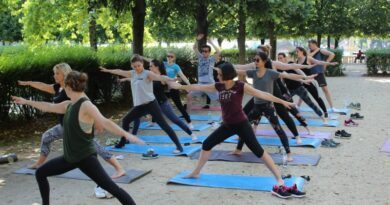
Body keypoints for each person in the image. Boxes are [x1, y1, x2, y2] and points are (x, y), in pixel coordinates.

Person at [169, 62, 305, 199]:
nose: (217, 76)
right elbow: (198, 86)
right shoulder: (218, 86)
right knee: (206, 144)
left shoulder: (240, 86)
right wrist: (181, 86)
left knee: (259, 152)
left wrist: (283, 102)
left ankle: (280, 181)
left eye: (219, 74)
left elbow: (263, 94)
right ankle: (196, 172)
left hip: (242, 124)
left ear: (226, 75)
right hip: (227, 125)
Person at [12, 71, 143, 205]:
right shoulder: (69, 105)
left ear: (69, 87)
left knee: (112, 188)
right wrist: (26, 101)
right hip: (70, 158)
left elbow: (105, 122)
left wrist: (126, 134)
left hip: (85, 158)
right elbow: (49, 106)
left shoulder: (86, 105)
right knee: (40, 173)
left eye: (65, 87)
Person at [17, 63, 125, 179]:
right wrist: (28, 83)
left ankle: (119, 168)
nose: (54, 76)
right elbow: (43, 86)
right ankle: (39, 163)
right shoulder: (58, 87)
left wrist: (98, 122)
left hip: (77, 128)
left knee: (95, 146)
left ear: (64, 74)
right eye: (54, 73)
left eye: (57, 73)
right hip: (64, 126)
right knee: (46, 137)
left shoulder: (73, 89)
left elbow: (88, 104)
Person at [234, 51, 317, 160]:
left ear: (264, 61)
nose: (255, 62)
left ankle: (289, 154)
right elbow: (239, 71)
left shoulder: (270, 73)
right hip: (257, 107)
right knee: (244, 128)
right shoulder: (253, 72)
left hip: (268, 107)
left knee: (279, 130)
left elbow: (288, 74)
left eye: (257, 60)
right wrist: (220, 68)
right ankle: (238, 149)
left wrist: (305, 78)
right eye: (254, 60)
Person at [100, 54, 184, 153]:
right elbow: (119, 71)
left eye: (139, 66)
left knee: (164, 125)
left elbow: (160, 77)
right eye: (134, 66)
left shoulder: (147, 73)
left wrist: (171, 79)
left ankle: (179, 147)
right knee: (126, 120)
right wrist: (108, 70)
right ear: (132, 66)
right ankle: (122, 143)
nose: (137, 68)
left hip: (151, 104)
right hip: (140, 106)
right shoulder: (132, 73)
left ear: (142, 64)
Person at [129, 59, 198, 141]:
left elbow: (172, 84)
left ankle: (191, 133)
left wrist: (183, 87)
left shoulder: (161, 77)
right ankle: (133, 136)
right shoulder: (149, 75)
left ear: (157, 67)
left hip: (162, 104)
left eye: (151, 66)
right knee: (136, 116)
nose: (149, 67)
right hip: (150, 104)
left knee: (175, 119)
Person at [278, 50, 336, 121]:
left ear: (285, 58)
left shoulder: (290, 64)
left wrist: (305, 78)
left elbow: (299, 71)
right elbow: (283, 80)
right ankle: (294, 115)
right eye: (278, 58)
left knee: (310, 103)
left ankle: (322, 117)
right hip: (290, 89)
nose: (280, 60)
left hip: (299, 88)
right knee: (284, 101)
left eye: (281, 58)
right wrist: (283, 89)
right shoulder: (279, 69)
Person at [186, 34, 220, 113]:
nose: (204, 53)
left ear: (209, 52)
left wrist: (211, 42)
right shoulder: (200, 57)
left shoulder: (212, 59)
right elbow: (194, 48)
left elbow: (218, 51)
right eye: (203, 51)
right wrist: (197, 40)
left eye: (206, 51)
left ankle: (228, 114)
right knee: (189, 95)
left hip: (209, 84)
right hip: (200, 84)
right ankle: (187, 115)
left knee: (220, 100)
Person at [163, 52, 194, 129]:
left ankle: (189, 122)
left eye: (171, 56)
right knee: (157, 102)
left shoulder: (176, 66)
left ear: (174, 58)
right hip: (163, 87)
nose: (169, 57)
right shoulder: (163, 64)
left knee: (179, 105)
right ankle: (153, 122)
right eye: (168, 56)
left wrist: (189, 85)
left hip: (173, 87)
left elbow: (182, 76)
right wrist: (141, 58)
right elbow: (152, 61)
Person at [308, 39, 338, 112]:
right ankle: (297, 106)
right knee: (305, 89)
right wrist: (316, 50)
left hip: (319, 73)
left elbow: (332, 54)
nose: (309, 46)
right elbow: (308, 57)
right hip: (310, 73)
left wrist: (326, 63)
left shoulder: (321, 50)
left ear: (315, 44)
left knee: (325, 90)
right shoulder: (309, 51)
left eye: (310, 45)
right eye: (308, 45)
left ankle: (332, 107)